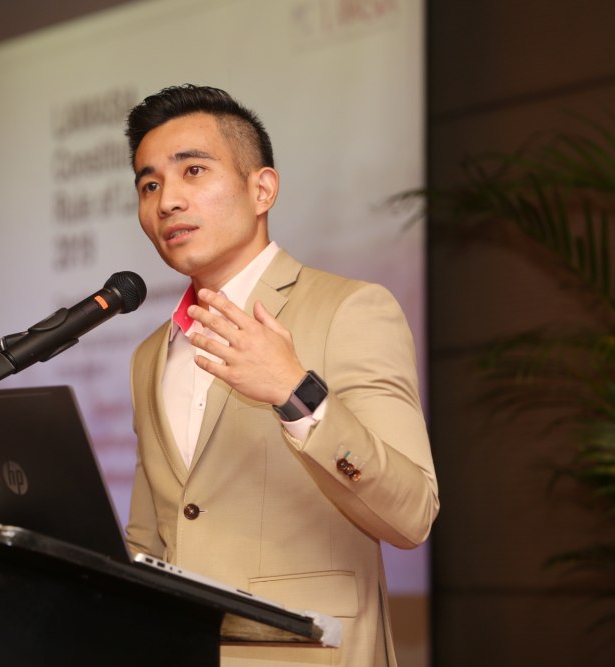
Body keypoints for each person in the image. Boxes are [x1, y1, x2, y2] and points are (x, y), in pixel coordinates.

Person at [123, 84, 439, 667]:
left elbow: (413, 513)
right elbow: (150, 537)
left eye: (193, 170)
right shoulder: (150, 352)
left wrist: (298, 395)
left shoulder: (351, 308)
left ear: (262, 188)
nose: (166, 200)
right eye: (149, 184)